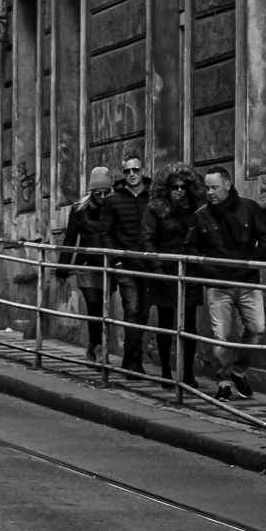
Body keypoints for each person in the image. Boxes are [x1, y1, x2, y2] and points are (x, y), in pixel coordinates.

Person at [191, 166, 266, 401]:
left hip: (248, 282)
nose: (209, 192)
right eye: (206, 188)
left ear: (227, 186)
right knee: (221, 336)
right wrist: (208, 270)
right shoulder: (201, 216)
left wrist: (254, 263)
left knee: (257, 328)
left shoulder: (249, 209)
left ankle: (238, 372)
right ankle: (224, 380)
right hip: (219, 285)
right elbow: (191, 247)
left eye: (214, 187)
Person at [143, 164, 205, 386]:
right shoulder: (155, 209)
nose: (179, 191)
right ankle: (166, 372)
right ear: (166, 188)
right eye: (175, 187)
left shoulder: (196, 210)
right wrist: (157, 266)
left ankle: (187, 373)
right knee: (166, 322)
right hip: (165, 273)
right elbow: (147, 238)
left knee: (189, 324)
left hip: (189, 272)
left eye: (183, 187)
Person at [55, 168, 116, 363]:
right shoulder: (79, 210)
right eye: (98, 193)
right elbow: (70, 239)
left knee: (104, 309)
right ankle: (99, 349)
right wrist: (62, 266)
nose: (102, 197)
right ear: (91, 192)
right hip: (87, 265)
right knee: (94, 304)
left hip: (108, 264)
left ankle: (93, 344)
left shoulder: (115, 208)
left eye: (106, 192)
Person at [105, 154, 156, 375]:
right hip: (124, 263)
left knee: (143, 312)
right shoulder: (113, 199)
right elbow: (106, 232)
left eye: (135, 170)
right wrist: (115, 260)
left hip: (148, 263)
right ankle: (134, 359)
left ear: (143, 170)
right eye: (127, 171)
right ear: (122, 173)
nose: (132, 174)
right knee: (132, 308)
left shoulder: (155, 197)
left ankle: (129, 356)